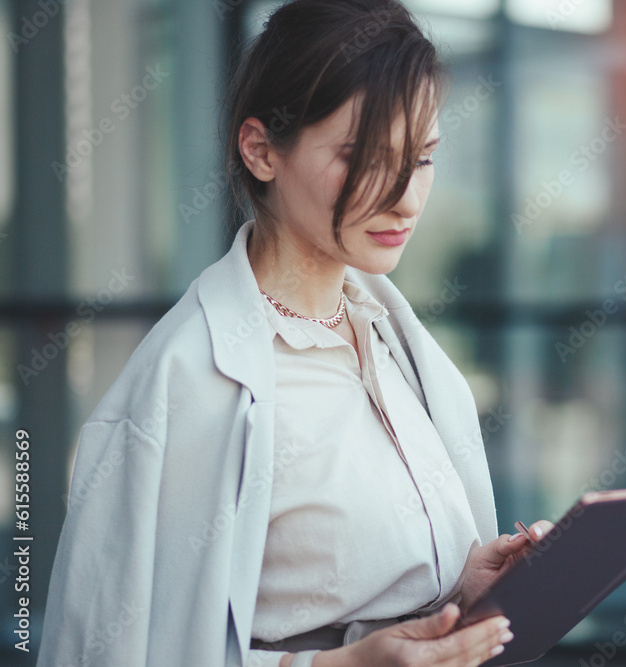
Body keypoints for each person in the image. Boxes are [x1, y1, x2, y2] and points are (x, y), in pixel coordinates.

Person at [36, 1, 552, 665]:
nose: (406, 197)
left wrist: (463, 585)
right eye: (366, 156)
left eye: (422, 158)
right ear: (260, 150)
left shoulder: (395, 343)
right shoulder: (184, 384)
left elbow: (366, 596)